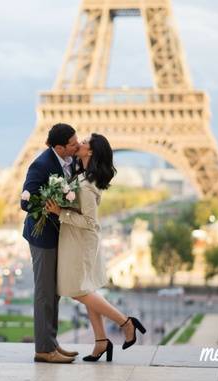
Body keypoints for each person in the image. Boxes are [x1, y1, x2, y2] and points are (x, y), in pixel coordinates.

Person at [46, 133, 146, 362]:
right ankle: (101, 341)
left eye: (84, 143)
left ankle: (125, 322)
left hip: (81, 242)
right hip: (76, 239)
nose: (79, 143)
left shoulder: (87, 185)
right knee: (87, 289)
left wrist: (61, 213)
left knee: (78, 290)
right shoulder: (82, 177)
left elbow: (91, 222)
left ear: (90, 152)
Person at [21, 123, 80, 364]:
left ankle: (51, 343)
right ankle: (44, 349)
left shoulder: (68, 161)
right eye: (73, 144)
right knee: (45, 293)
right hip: (43, 237)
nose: (77, 146)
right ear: (59, 147)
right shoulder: (41, 164)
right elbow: (26, 202)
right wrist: (52, 203)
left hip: (57, 236)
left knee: (53, 293)